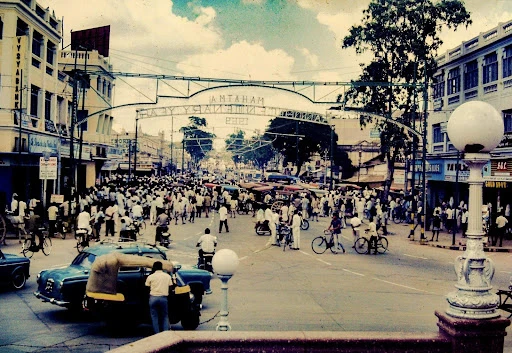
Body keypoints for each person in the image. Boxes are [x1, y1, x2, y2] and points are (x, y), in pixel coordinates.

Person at [145, 261, 174, 334]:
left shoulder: (150, 276)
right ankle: (165, 333)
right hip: (163, 298)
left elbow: (146, 288)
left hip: (153, 298)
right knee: (165, 316)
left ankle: (156, 333)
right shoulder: (167, 276)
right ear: (161, 267)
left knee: (154, 316)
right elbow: (171, 288)